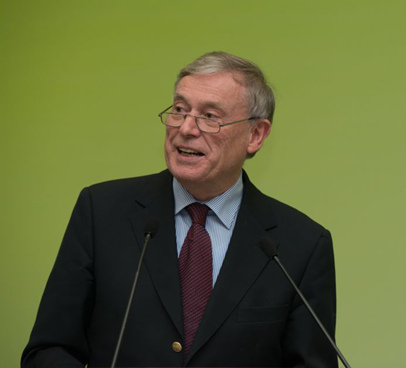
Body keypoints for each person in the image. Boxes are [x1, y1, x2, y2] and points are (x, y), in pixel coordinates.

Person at [22, 52, 338, 368]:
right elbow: (49, 350)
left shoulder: (302, 245)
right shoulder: (101, 212)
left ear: (255, 135)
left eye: (210, 116)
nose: (186, 128)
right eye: (179, 110)